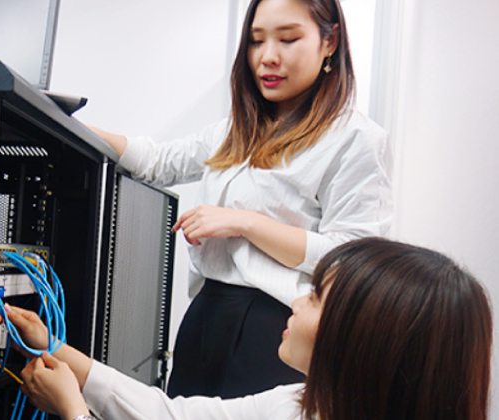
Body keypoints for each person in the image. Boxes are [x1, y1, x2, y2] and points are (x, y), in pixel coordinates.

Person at [87, 0, 392, 398]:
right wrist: (65, 121)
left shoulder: (356, 139)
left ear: (330, 41)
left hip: (276, 328)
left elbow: (353, 259)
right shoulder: (237, 129)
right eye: (256, 40)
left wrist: (245, 223)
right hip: (206, 315)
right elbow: (157, 161)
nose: (267, 57)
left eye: (288, 39)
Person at [0, 237, 492, 420]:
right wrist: (56, 347)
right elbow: (173, 417)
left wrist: (74, 411)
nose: (295, 302)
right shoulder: (303, 404)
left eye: (316, 296)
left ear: (364, 340)